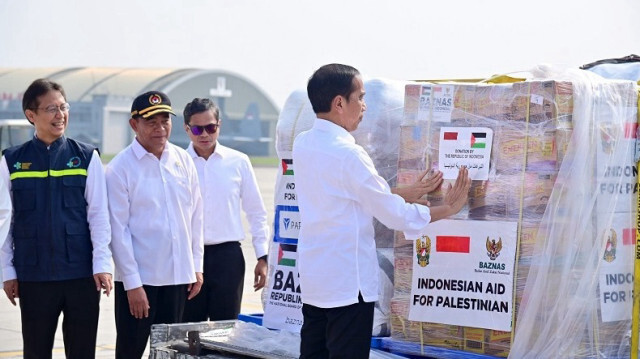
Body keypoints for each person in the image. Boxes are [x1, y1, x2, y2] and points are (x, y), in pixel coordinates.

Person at [292, 64, 471, 358]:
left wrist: (399, 193)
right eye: (360, 98)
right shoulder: (348, 153)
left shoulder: (304, 144)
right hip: (348, 285)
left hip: (316, 280)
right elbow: (393, 216)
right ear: (339, 103)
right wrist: (446, 207)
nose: (364, 106)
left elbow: (343, 197)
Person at [0, 78, 112, 359]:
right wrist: (7, 272)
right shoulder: (12, 161)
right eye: (51, 109)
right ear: (31, 115)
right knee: (36, 352)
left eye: (63, 107)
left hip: (81, 276)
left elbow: (99, 215)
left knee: (82, 351)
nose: (60, 115)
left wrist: (102, 264)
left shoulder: (86, 158)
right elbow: (4, 220)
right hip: (34, 276)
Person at [105, 91, 204, 359]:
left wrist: (196, 266)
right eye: (151, 122)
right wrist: (132, 285)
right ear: (133, 124)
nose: (160, 128)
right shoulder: (120, 168)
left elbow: (195, 216)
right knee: (130, 350)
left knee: (171, 353)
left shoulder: (183, 160)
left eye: (165, 120)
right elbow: (118, 230)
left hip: (177, 278)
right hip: (141, 281)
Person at [181, 98, 269, 322]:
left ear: (219, 125)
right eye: (197, 129)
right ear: (187, 128)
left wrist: (263, 256)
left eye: (210, 128)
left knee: (227, 330)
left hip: (227, 259)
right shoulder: (177, 163)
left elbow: (256, 211)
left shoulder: (238, 162)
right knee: (188, 332)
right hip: (187, 258)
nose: (204, 134)